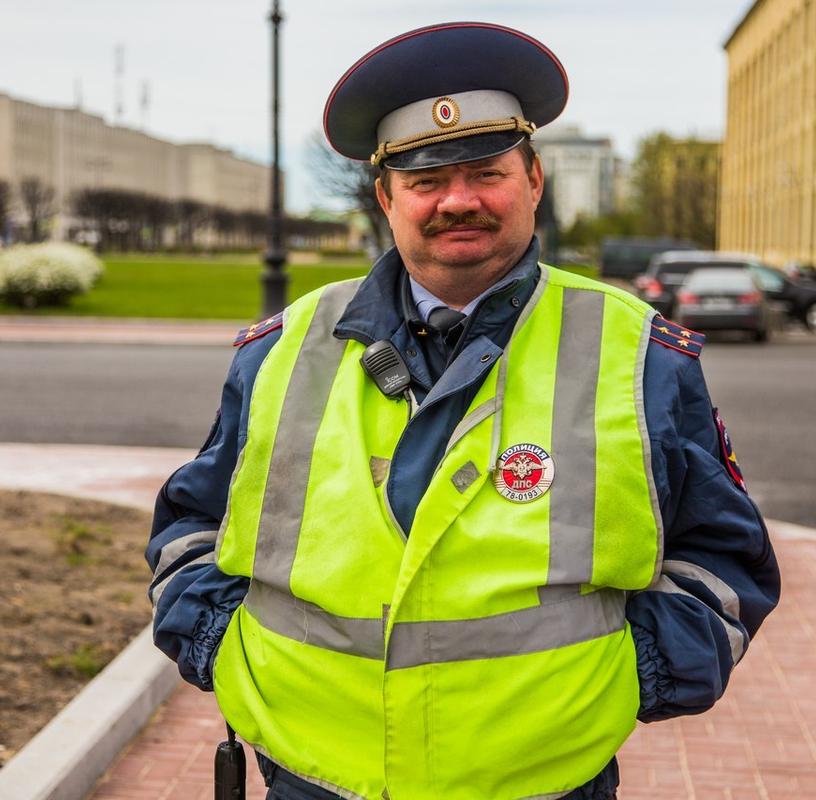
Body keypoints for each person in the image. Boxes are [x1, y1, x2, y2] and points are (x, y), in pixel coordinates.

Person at [147, 21, 779, 800]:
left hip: (546, 784)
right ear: (386, 197)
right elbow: (192, 527)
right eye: (425, 180)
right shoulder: (282, 348)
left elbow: (723, 556)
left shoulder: (640, 353)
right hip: (312, 777)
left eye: (486, 172)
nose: (458, 200)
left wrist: (635, 675)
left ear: (534, 180)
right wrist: (220, 647)